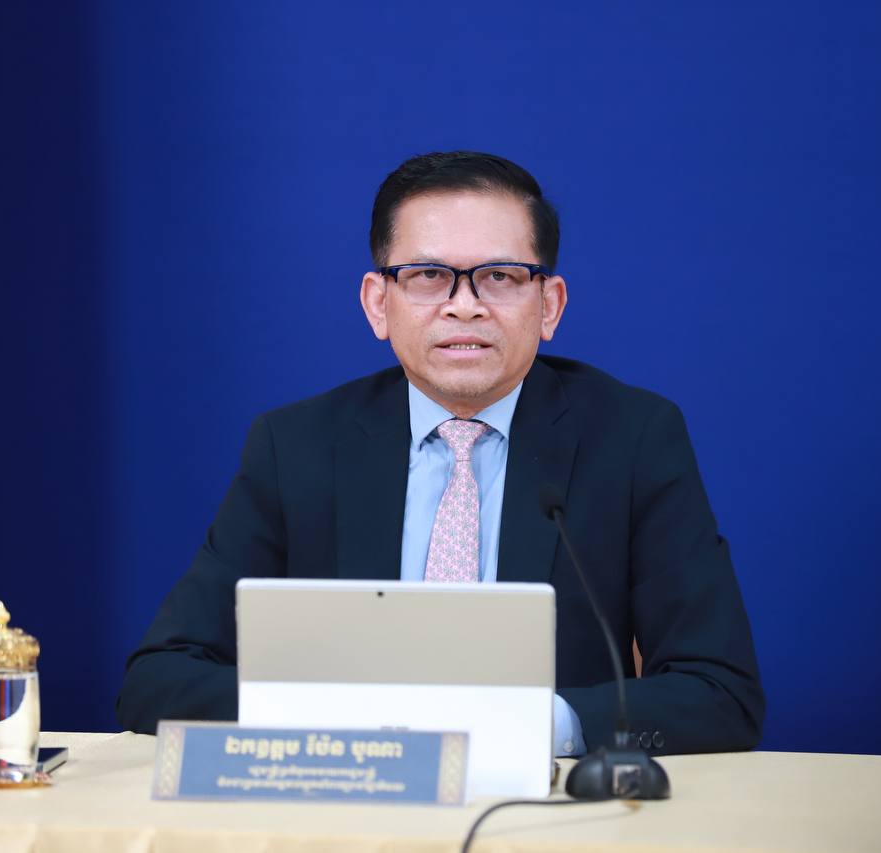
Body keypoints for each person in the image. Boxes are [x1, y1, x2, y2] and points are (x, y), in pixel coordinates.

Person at [117, 151, 765, 755]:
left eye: (500, 277)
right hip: (346, 800)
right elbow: (158, 680)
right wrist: (343, 718)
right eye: (429, 276)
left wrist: (531, 725)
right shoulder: (297, 447)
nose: (464, 306)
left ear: (549, 305)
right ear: (379, 303)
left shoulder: (633, 438)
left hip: (547, 807)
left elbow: (720, 693)